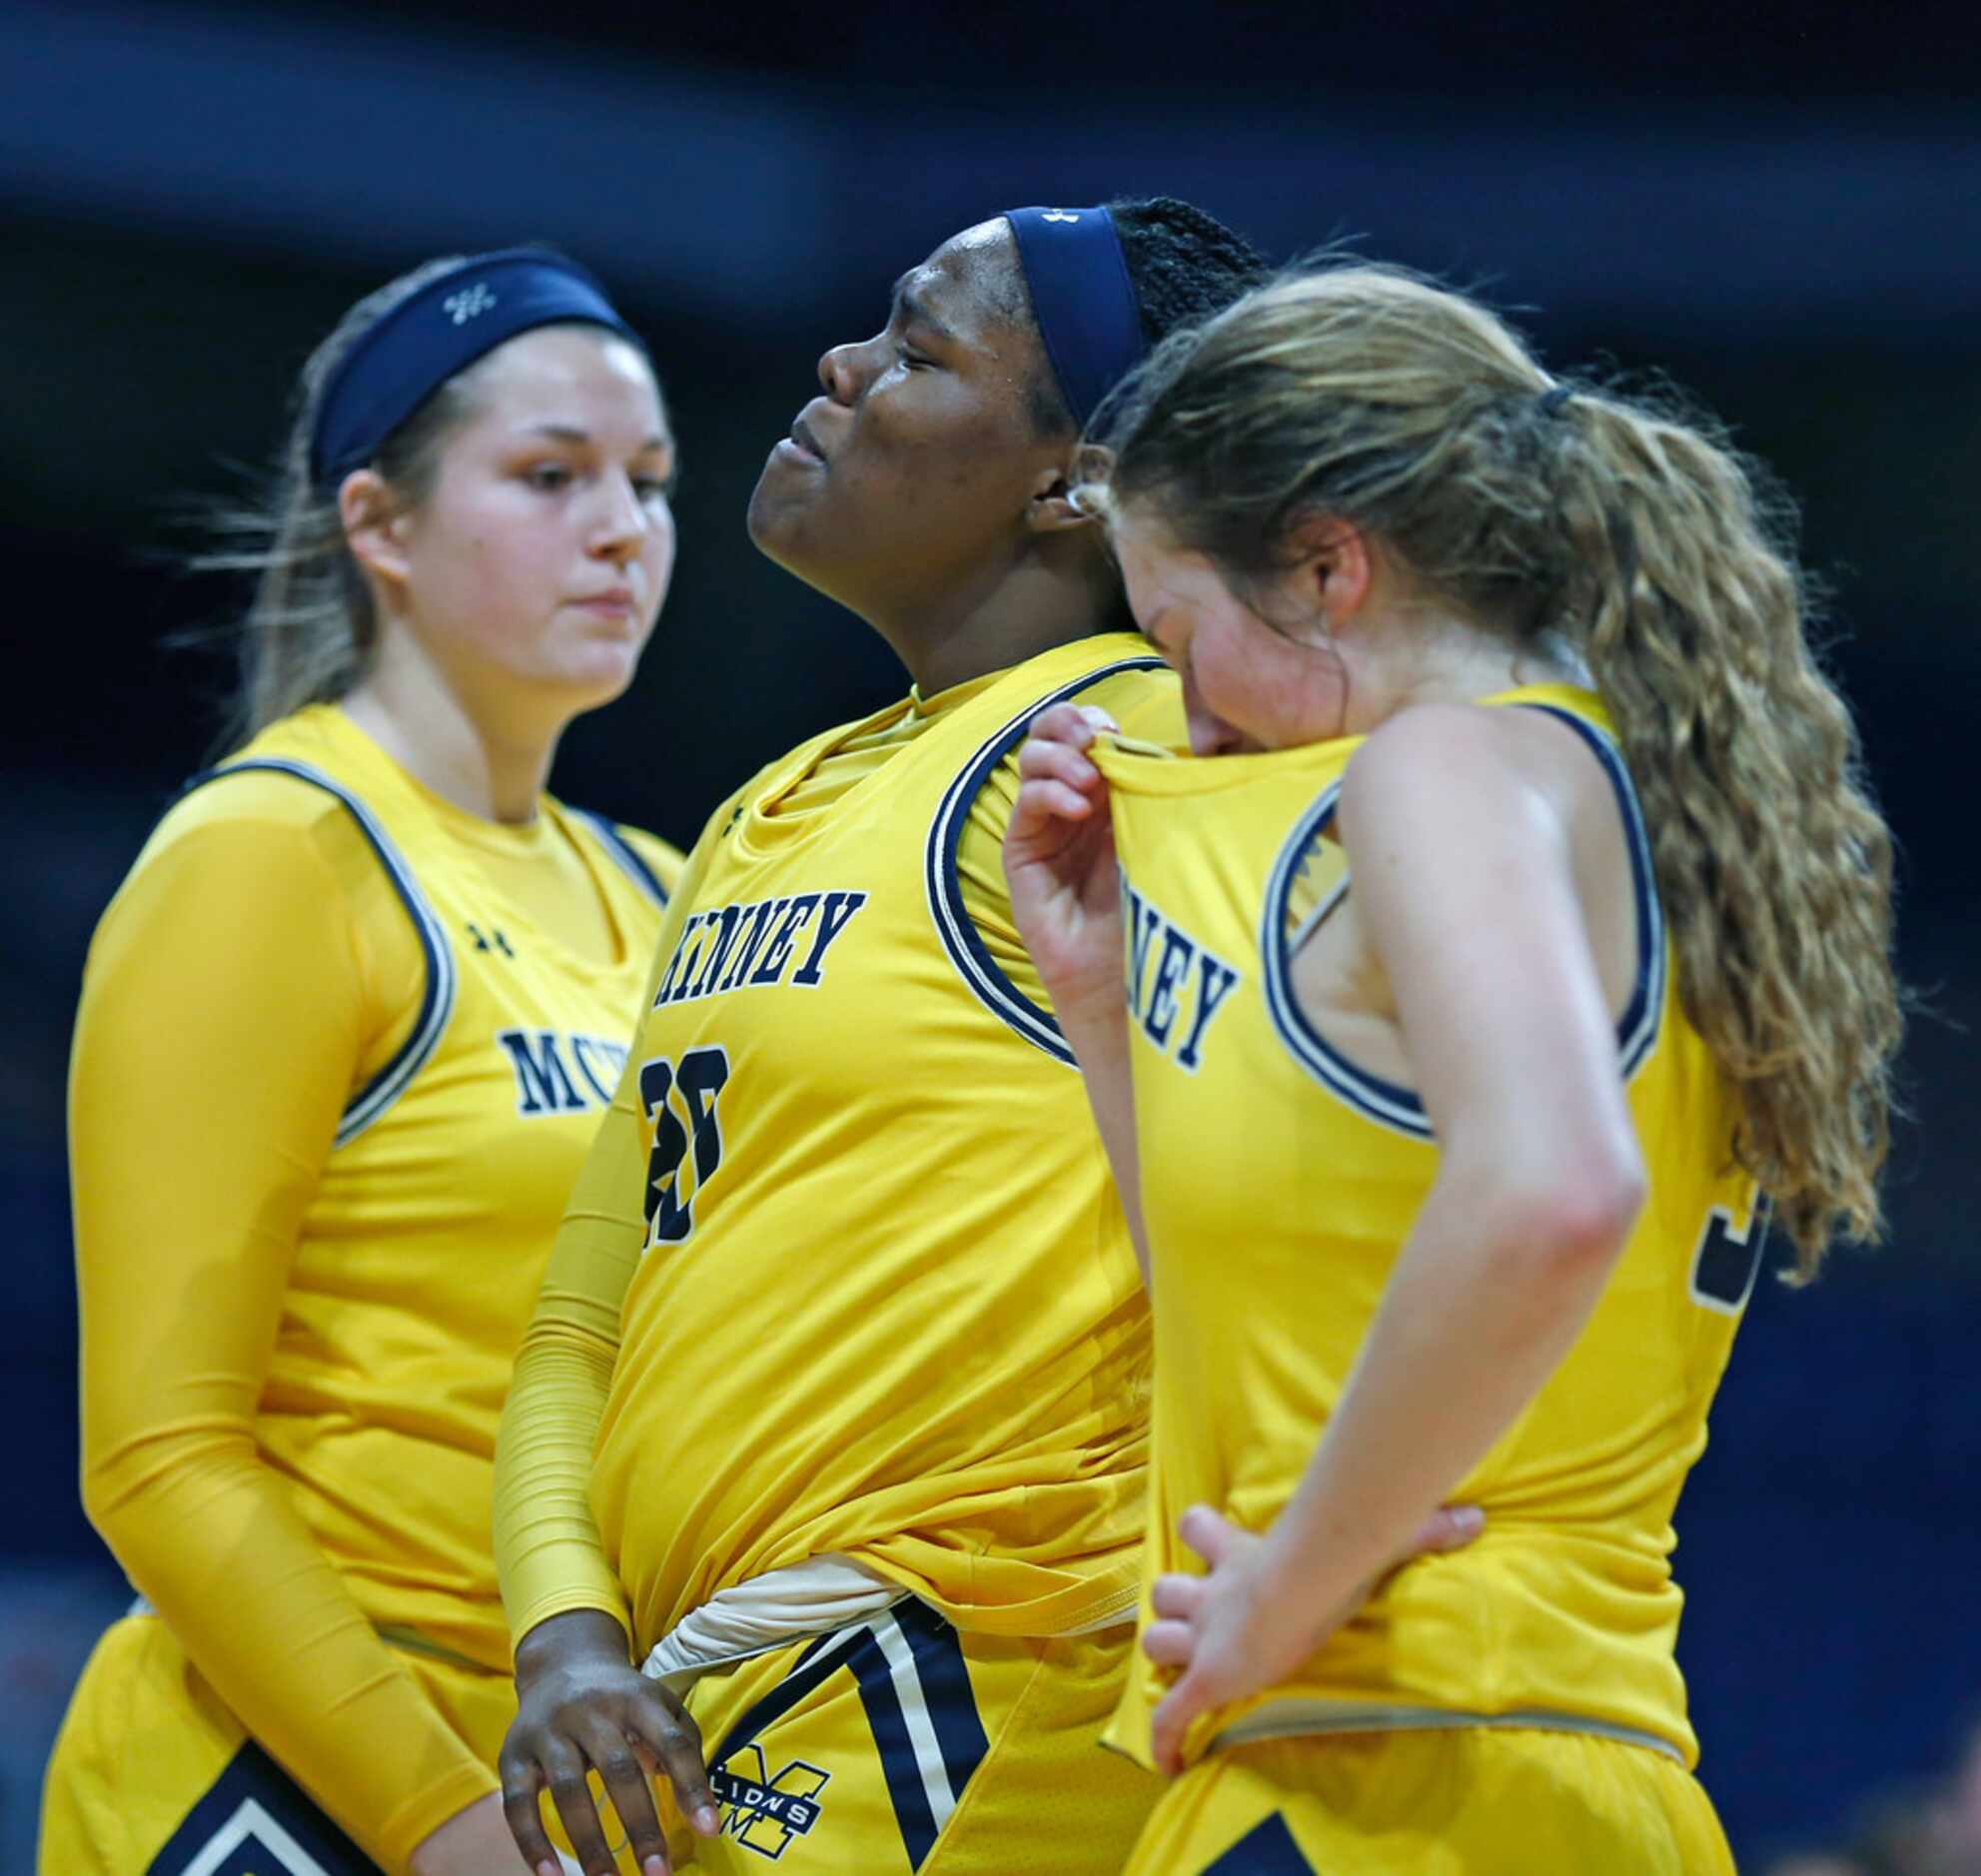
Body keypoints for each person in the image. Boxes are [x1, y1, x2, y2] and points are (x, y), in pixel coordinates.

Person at [487, 199, 1355, 1876]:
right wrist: (563, 1637)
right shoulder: (770, 808)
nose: (842, 362)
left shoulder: (1139, 754)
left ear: (1073, 478)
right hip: (685, 1697)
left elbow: (1347, 1190)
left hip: (961, 1662)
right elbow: (575, 1330)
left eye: (918, 346)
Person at [1004, 262, 1901, 1872]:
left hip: (1388, 1765)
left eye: (1176, 639)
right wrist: (1097, 996)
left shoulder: (1441, 767)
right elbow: (1290, 1322)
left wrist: (1288, 1585)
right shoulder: (1633, 806)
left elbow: (1553, 1190)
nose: (1187, 726)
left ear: (1330, 565)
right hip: (1564, 1772)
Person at [42, 248, 685, 1875]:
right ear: (380, 524)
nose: (622, 526)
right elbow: (159, 1455)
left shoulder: (671, 886)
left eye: (648, 479)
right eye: (551, 476)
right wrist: (445, 1821)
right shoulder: (270, 856)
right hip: (288, 1783)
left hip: (570, 1780)